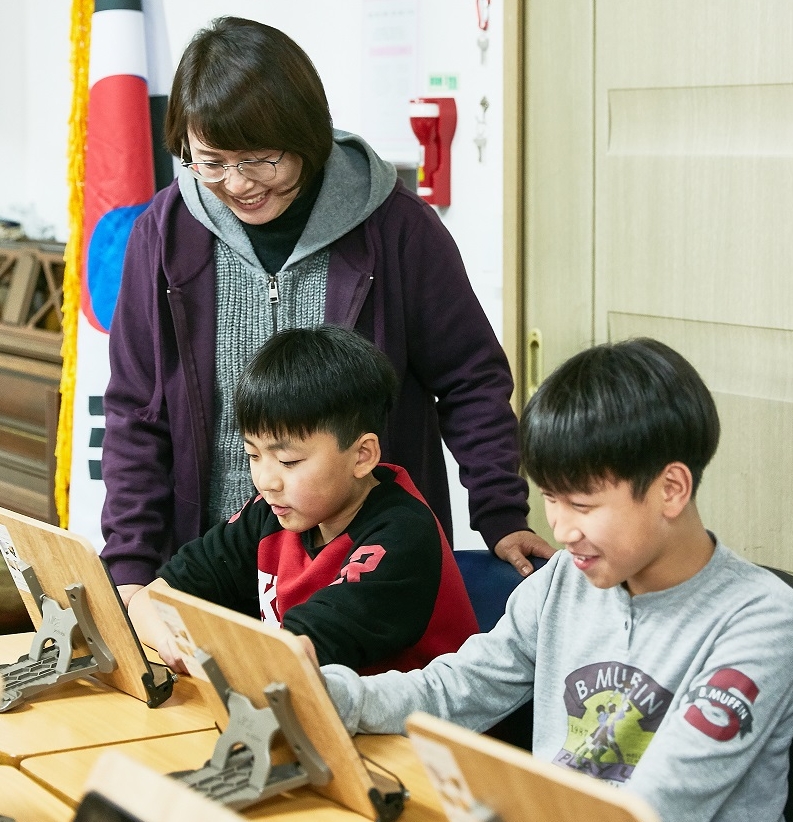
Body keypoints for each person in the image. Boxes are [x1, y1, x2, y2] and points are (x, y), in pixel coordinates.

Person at [100, 16, 554, 605]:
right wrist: (131, 565)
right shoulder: (164, 236)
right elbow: (136, 412)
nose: (236, 184)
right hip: (208, 566)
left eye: (261, 159)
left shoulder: (396, 229)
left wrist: (501, 512)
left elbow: (470, 380)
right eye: (210, 161)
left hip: (365, 571)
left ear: (308, 138)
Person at [320, 338, 793, 822]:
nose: (562, 531)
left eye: (583, 506)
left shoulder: (761, 620)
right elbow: (455, 689)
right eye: (551, 499)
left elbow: (658, 804)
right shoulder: (563, 580)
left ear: (670, 489)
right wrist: (335, 695)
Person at [128, 325, 479, 675]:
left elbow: (293, 660)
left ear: (362, 456)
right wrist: (169, 640)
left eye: (288, 461)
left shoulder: (402, 535)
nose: (266, 481)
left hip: (412, 727)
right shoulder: (271, 513)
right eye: (253, 455)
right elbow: (151, 599)